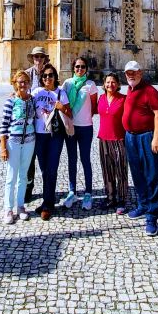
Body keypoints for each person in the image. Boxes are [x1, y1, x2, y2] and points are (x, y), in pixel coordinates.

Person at [122, 60, 158, 237]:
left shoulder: (150, 91)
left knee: (151, 175)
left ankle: (152, 215)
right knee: (137, 173)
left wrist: (156, 137)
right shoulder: (130, 90)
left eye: (134, 72)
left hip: (147, 137)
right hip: (130, 136)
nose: (131, 75)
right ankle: (142, 204)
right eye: (128, 73)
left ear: (141, 72)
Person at [31, 63, 72, 221]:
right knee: (43, 170)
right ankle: (48, 199)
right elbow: (26, 101)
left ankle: (48, 204)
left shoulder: (61, 92)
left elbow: (70, 113)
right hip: (40, 135)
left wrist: (62, 107)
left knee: (52, 169)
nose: (48, 78)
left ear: (55, 77)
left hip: (56, 135)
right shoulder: (36, 92)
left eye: (51, 75)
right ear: (42, 78)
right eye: (45, 76)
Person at [0, 70, 38, 224]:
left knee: (23, 175)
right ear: (15, 84)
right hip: (13, 142)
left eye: (25, 82)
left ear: (29, 84)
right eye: (19, 82)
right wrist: (3, 147)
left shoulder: (33, 100)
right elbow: (4, 125)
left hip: (29, 141)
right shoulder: (10, 102)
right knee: (11, 176)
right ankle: (8, 208)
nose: (22, 85)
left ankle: (20, 206)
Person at [61, 56, 98, 210]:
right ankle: (72, 191)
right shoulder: (67, 83)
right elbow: (62, 101)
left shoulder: (91, 85)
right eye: (77, 67)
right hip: (70, 127)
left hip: (85, 127)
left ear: (86, 69)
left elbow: (95, 107)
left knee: (85, 159)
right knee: (71, 159)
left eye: (82, 67)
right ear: (73, 68)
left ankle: (88, 192)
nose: (80, 69)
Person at [97, 72, 129, 214]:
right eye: (108, 82)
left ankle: (122, 199)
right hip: (103, 138)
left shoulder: (124, 99)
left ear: (118, 85)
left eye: (113, 82)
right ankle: (110, 197)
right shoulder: (101, 98)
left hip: (119, 139)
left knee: (120, 170)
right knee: (107, 170)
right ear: (104, 85)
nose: (110, 85)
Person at [23, 46, 49, 203]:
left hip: (45, 126)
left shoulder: (49, 74)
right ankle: (28, 188)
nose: (38, 59)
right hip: (31, 125)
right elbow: (20, 92)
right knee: (29, 159)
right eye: (36, 57)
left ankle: (48, 191)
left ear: (45, 58)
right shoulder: (27, 74)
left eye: (41, 56)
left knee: (46, 161)